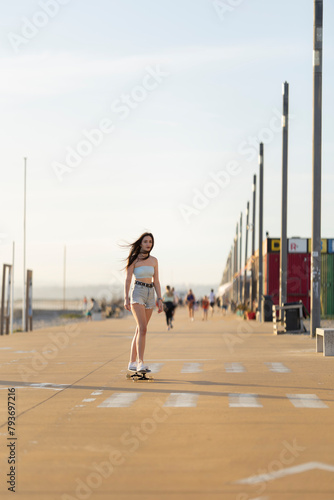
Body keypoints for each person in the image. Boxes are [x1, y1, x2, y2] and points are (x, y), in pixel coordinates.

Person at [123, 232, 163, 373]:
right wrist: (126, 298)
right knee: (143, 328)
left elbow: (156, 281)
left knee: (140, 329)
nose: (148, 244)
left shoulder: (154, 261)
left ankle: (131, 362)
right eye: (145, 241)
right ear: (140, 243)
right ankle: (140, 362)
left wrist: (160, 298)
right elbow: (128, 279)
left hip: (150, 294)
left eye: (150, 242)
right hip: (137, 292)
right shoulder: (134, 259)